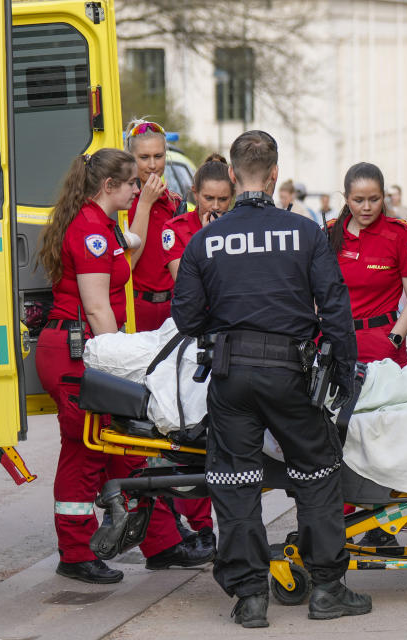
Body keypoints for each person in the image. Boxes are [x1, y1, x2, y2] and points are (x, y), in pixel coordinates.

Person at [172, 130, 371, 626]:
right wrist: (344, 373)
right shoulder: (305, 232)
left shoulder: (204, 240)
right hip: (292, 374)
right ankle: (327, 588)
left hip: (231, 374)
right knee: (317, 474)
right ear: (276, 173)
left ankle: (250, 598)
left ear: (234, 176)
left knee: (235, 482)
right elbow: (335, 308)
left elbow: (187, 319)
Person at [35, 149, 212, 585]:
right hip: (81, 352)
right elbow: (96, 307)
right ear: (108, 187)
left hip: (84, 348)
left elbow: (130, 243)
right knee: (86, 452)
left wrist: (148, 207)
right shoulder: (91, 232)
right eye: (132, 183)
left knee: (126, 449)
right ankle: (75, 552)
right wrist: (120, 364)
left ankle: (162, 544)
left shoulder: (101, 226)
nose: (138, 187)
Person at [161, 153, 235, 549]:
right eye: (209, 198)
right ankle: (199, 524)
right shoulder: (177, 230)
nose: (217, 207)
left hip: (228, 337)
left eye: (224, 199)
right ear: (194, 194)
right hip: (192, 340)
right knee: (193, 435)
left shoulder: (238, 229)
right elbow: (186, 289)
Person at [326, 163, 407, 368]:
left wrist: (394, 340)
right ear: (346, 198)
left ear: (384, 196)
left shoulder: (401, 235)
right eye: (358, 200)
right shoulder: (328, 234)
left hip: (383, 348)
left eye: (374, 199)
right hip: (334, 345)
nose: (367, 207)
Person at [125, 119, 184, 332]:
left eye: (158, 157)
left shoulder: (175, 202)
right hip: (137, 305)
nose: (152, 165)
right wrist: (145, 203)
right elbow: (129, 262)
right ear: (131, 159)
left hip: (172, 306)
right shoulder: (124, 204)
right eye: (144, 157)